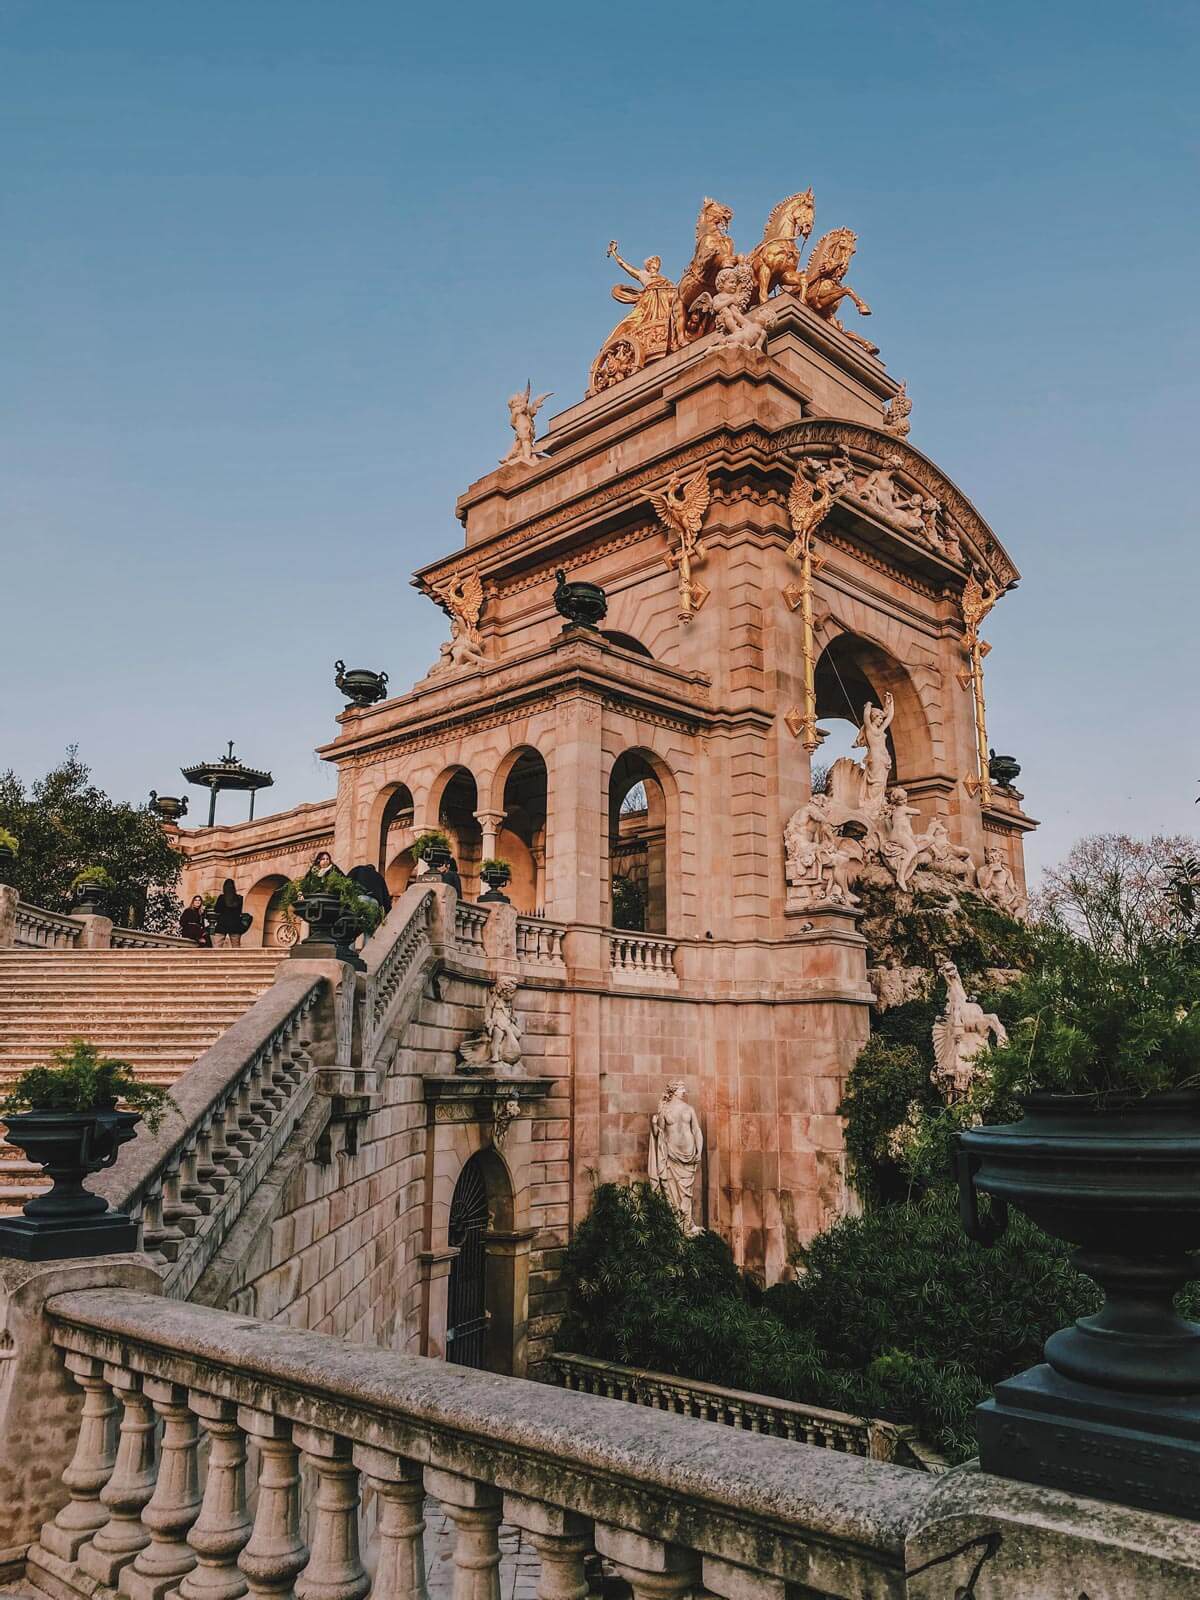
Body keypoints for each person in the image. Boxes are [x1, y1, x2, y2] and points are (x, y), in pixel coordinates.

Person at [211, 878, 244, 949]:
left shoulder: (221, 898)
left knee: (217, 946)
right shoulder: (239, 898)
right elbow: (240, 911)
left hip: (222, 923)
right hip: (235, 924)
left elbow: (217, 910)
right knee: (236, 948)